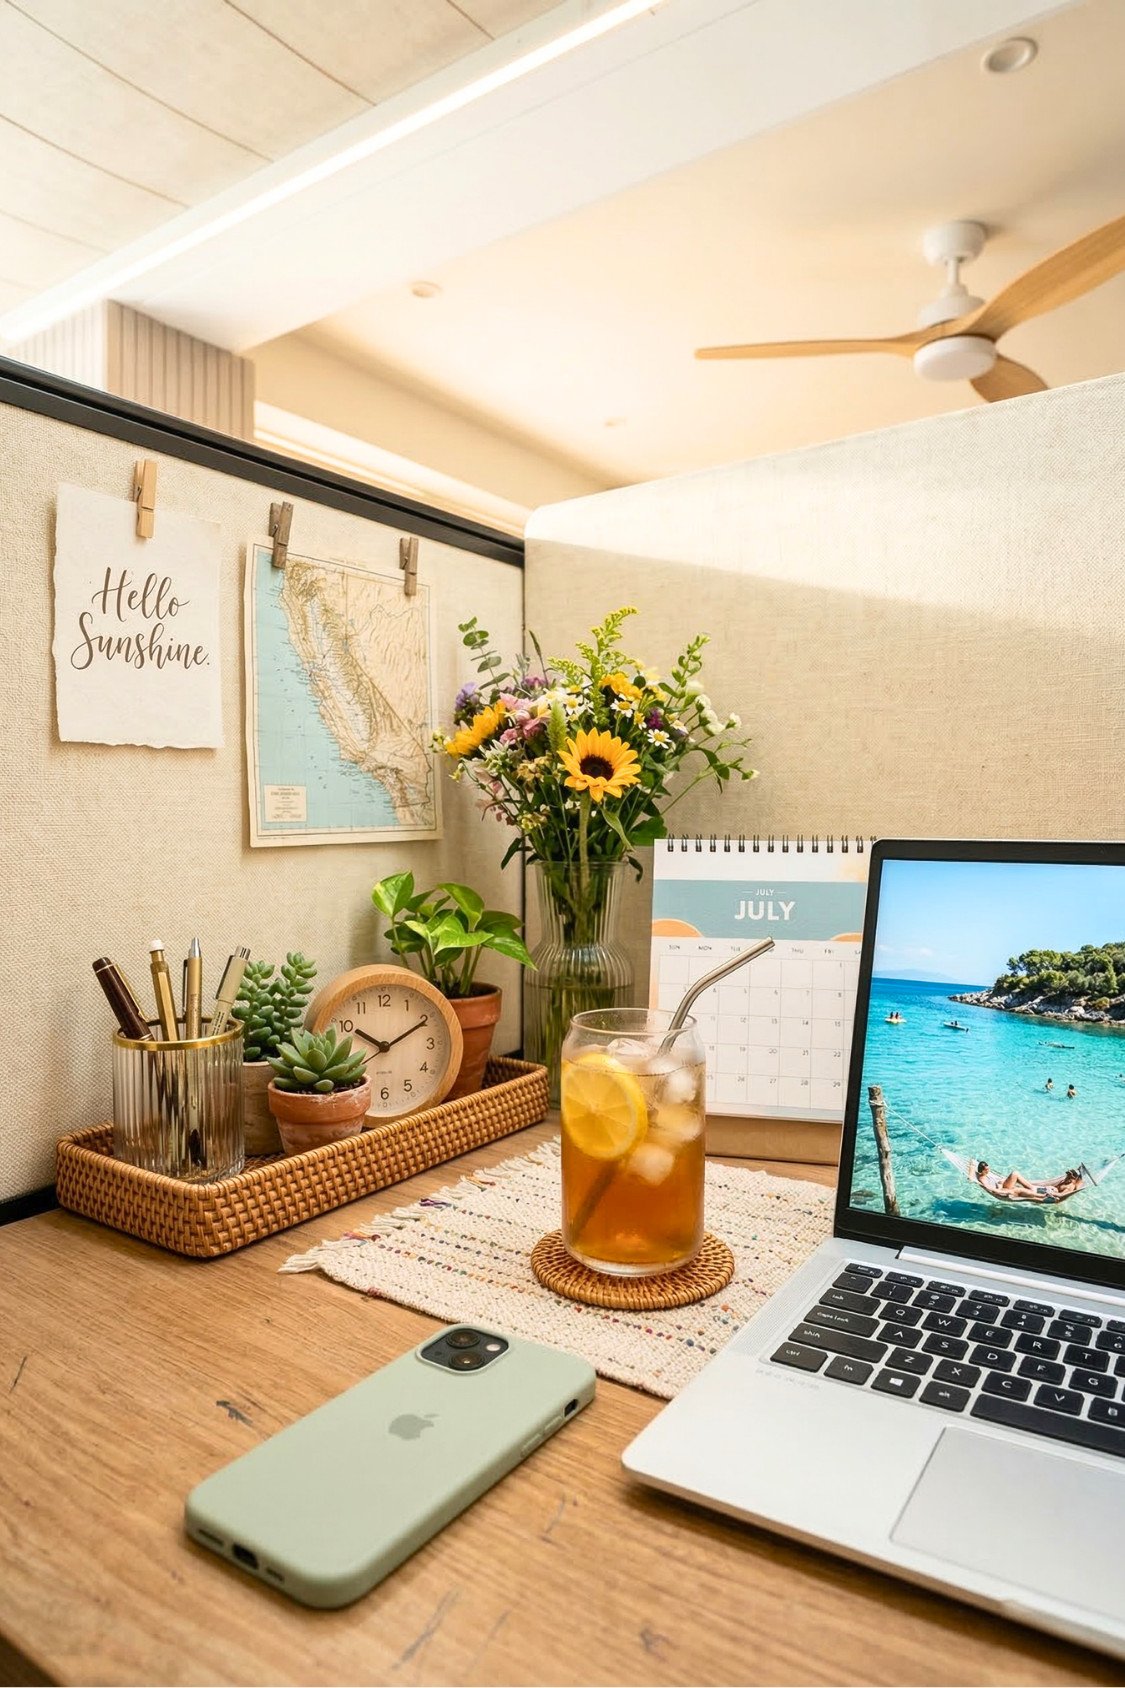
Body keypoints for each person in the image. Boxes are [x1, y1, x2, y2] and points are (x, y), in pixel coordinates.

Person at [975, 1161, 1048, 1201]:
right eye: (986, 1170)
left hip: (1002, 1186)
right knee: (1019, 1190)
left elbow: (993, 1182)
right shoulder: (982, 1179)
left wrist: (1000, 1182)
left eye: (988, 1168)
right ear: (982, 1171)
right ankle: (1041, 1196)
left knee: (1015, 1173)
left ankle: (1032, 1187)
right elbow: (991, 1189)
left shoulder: (986, 1174)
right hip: (1001, 1192)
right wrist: (1003, 1189)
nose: (989, 1170)